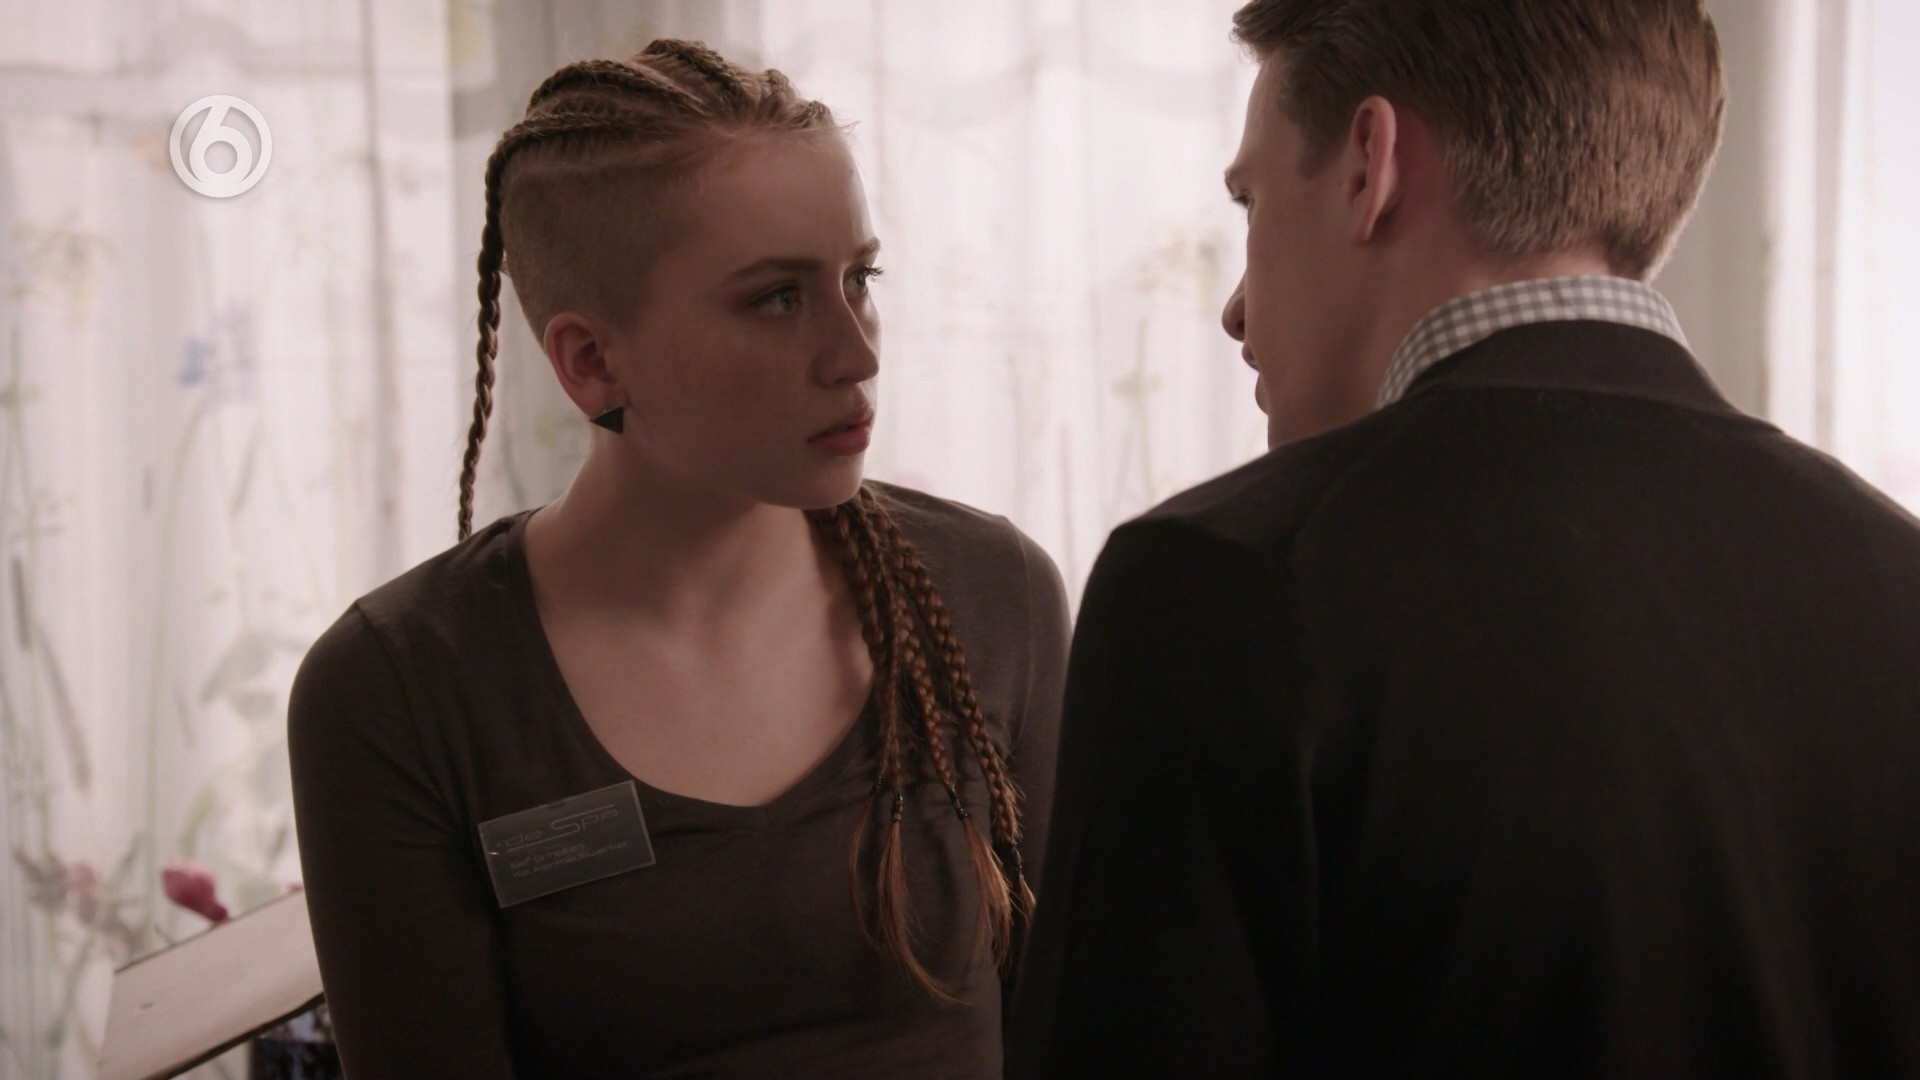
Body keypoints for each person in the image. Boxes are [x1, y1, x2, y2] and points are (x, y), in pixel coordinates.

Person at [1008, 1, 1920, 1077]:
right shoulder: (1897, 575)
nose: (1236, 310)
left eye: (1250, 201)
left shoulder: (1216, 586)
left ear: (1370, 164)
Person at [288, 40, 1070, 1080]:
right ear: (592, 362)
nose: (858, 352)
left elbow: (1082, 1021)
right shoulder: (398, 691)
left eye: (859, 278)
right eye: (778, 297)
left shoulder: (993, 596)